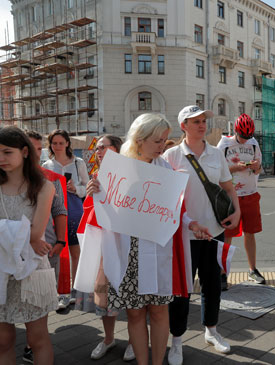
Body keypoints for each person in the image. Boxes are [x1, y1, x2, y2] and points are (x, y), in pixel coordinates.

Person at [83, 114, 209, 365]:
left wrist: (191, 224)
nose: (162, 146)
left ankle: (157, 361)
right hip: (129, 253)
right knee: (135, 314)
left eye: (164, 140)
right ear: (139, 140)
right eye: (157, 141)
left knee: (160, 312)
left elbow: (176, 211)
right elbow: (103, 213)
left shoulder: (165, 168)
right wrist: (94, 194)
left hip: (160, 251)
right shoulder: (118, 167)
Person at [164, 105, 241, 365]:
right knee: (181, 290)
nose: (201, 125)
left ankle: (211, 331)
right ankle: (176, 341)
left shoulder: (216, 154)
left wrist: (237, 211)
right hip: (183, 235)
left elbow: (228, 187)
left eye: (203, 121)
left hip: (214, 232)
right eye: (195, 121)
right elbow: (164, 196)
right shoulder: (172, 156)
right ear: (183, 125)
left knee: (212, 284)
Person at [0, 126, 57, 365]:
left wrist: (31, 237)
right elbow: (30, 236)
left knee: (37, 337)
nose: (1, 159)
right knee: (2, 339)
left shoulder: (44, 187)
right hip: (1, 270)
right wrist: (28, 237)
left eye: (7, 152)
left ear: (25, 152)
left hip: (32, 270)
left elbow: (36, 232)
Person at [76, 135, 135, 361]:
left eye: (102, 147)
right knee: (104, 294)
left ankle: (134, 340)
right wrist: (91, 194)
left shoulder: (130, 174)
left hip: (126, 243)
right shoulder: (96, 176)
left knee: (129, 294)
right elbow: (90, 212)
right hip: (103, 242)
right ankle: (108, 339)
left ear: (117, 149)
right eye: (97, 148)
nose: (98, 151)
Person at [22, 130, 68, 363]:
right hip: (12, 253)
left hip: (46, 250)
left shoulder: (49, 179)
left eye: (40, 149)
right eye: (32, 148)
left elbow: (60, 211)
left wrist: (60, 242)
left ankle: (33, 344)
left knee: (42, 301)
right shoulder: (6, 178)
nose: (36, 154)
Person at [217, 114, 265, 285]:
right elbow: (217, 170)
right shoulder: (224, 144)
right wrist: (235, 168)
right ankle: (222, 273)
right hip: (230, 196)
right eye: (243, 137)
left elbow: (259, 170)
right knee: (227, 236)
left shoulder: (253, 143)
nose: (245, 140)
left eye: (248, 137)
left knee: (250, 233)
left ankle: (253, 269)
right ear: (236, 132)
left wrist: (256, 166)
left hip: (251, 193)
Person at [43, 129, 89, 308]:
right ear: (51, 145)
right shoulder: (47, 165)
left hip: (75, 209)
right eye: (54, 143)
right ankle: (61, 291)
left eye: (61, 143)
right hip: (54, 210)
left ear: (68, 144)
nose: (58, 146)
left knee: (75, 252)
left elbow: (87, 187)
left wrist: (75, 188)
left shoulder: (79, 163)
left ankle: (75, 290)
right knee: (58, 252)